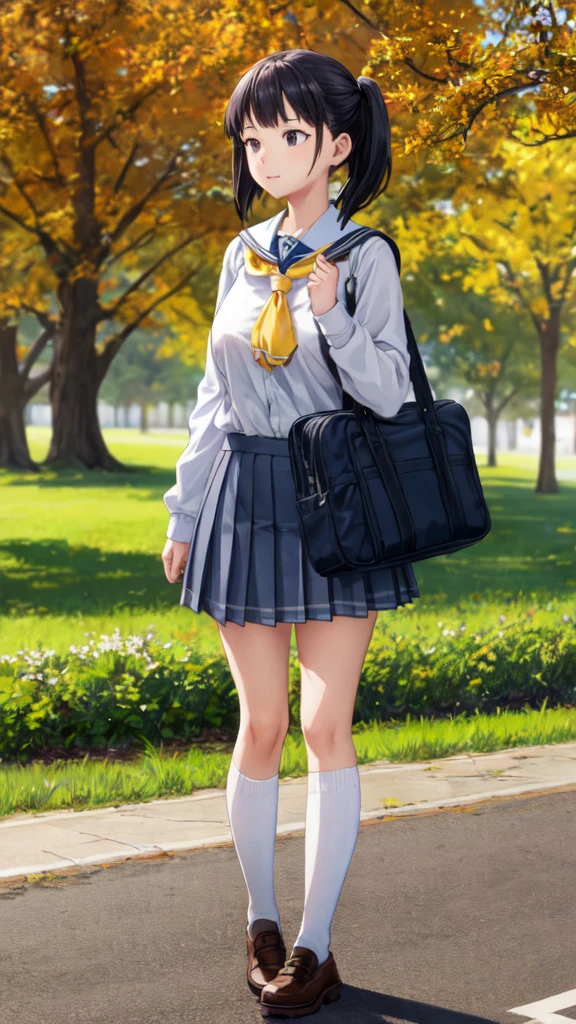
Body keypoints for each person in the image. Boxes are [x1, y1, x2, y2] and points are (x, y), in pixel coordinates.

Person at [161, 48, 419, 1019]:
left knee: (323, 725)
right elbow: (209, 397)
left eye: (289, 135)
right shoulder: (240, 255)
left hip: (336, 499)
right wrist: (185, 512)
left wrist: (335, 321)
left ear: (338, 145)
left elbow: (391, 394)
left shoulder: (365, 259)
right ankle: (260, 924)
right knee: (262, 724)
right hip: (243, 494)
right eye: (253, 137)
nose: (267, 154)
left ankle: (315, 943)